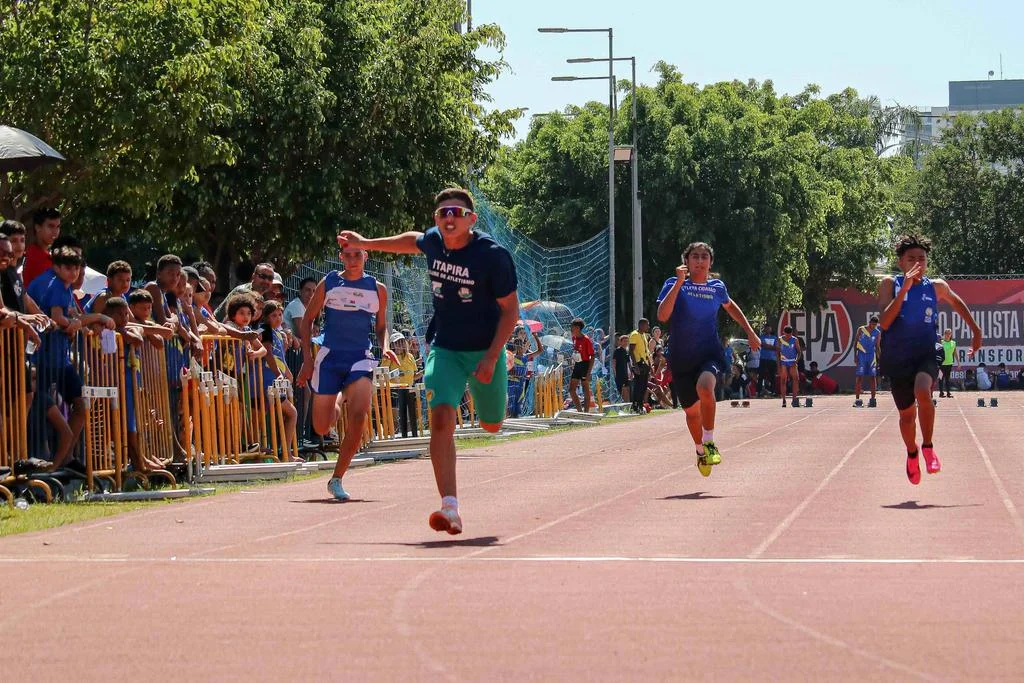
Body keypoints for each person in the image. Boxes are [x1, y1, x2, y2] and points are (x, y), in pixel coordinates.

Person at [336, 187, 518, 534]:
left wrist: (494, 356)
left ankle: (497, 377)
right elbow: (412, 241)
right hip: (445, 348)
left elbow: (510, 311)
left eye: (457, 212)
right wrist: (367, 242)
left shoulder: (493, 256)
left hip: (485, 351)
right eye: (443, 212)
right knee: (441, 418)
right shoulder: (434, 241)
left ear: (471, 220)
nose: (449, 217)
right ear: (437, 220)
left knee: (492, 424)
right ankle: (450, 507)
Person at [878, 234, 982, 485]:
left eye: (922, 259)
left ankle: (928, 447)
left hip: (925, 352)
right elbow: (884, 322)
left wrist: (976, 331)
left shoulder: (936, 287)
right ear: (901, 262)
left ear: (927, 262)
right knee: (905, 417)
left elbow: (957, 304)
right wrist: (903, 291)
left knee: (923, 392)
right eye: (911, 258)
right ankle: (912, 453)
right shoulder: (889, 284)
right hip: (897, 357)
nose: (917, 263)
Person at [297, 244, 396, 501]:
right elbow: (307, 320)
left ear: (365, 256)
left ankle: (337, 478)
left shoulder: (378, 289)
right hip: (329, 358)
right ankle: (339, 398)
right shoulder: (329, 282)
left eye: (357, 254)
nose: (352, 259)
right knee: (321, 425)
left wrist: (384, 347)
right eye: (347, 255)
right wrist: (307, 361)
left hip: (360, 357)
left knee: (361, 412)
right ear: (341, 257)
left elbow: (382, 326)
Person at [656, 242, 761, 476]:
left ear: (710, 262)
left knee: (705, 387)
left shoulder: (716, 287)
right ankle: (700, 450)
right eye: (695, 256)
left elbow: (730, 306)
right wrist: (680, 283)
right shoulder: (673, 284)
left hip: (708, 352)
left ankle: (710, 441)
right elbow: (662, 316)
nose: (700, 261)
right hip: (681, 357)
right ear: (686, 261)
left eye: (704, 257)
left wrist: (750, 331)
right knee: (692, 413)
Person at [384, 331, 422, 437]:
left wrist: (423, 372)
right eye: (396, 343)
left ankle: (411, 435)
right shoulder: (388, 357)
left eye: (401, 342)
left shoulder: (410, 357)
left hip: (409, 389)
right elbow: (383, 374)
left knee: (411, 414)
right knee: (396, 416)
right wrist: (396, 375)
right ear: (392, 345)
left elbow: (414, 376)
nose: (399, 345)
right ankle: (395, 434)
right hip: (394, 390)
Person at [22, 208, 61, 288]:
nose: (55, 231)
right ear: (37, 227)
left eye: (58, 227)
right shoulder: (35, 257)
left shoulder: (36, 253)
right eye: (51, 226)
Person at [853, 316, 882, 407]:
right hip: (861, 355)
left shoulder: (877, 332)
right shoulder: (861, 329)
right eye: (872, 324)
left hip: (871, 357)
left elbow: (877, 347)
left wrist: (880, 359)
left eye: (875, 325)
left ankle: (873, 400)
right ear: (869, 322)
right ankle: (857, 400)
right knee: (859, 377)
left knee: (872, 377)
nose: (873, 326)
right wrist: (855, 356)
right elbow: (855, 343)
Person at [568, 317, 595, 412]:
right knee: (571, 390)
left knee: (585, 389)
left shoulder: (586, 339)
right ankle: (580, 411)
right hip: (577, 365)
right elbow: (576, 351)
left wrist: (589, 372)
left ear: (578, 328)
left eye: (572, 327)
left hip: (585, 365)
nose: (571, 329)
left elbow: (593, 356)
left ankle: (586, 412)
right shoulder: (573, 338)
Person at [628, 319, 652, 413]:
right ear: (641, 325)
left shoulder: (644, 335)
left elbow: (646, 351)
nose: (648, 327)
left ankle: (640, 406)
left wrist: (650, 364)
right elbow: (631, 351)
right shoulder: (634, 334)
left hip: (645, 363)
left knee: (643, 386)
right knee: (638, 386)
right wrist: (635, 365)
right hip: (639, 363)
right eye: (647, 325)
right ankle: (635, 406)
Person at [775, 326, 802, 407]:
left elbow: (799, 352)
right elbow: (777, 353)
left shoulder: (795, 340)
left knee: (796, 379)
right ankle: (783, 400)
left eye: (789, 335)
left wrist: (796, 361)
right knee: (783, 380)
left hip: (792, 361)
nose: (788, 337)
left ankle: (794, 399)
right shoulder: (780, 339)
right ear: (784, 333)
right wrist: (778, 365)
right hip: (783, 362)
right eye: (786, 335)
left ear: (791, 333)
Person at [938, 328, 959, 397]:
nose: (948, 335)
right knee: (941, 378)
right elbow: (937, 352)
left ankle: (948, 393)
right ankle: (941, 393)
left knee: (947, 378)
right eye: (947, 333)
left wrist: (958, 362)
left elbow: (955, 353)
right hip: (941, 364)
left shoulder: (953, 343)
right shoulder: (941, 342)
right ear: (944, 334)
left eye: (949, 333)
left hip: (949, 363)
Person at [758, 324, 778, 396]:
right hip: (763, 358)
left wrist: (769, 346)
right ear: (765, 329)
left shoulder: (774, 338)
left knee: (772, 376)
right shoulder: (761, 337)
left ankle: (773, 391)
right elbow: (763, 345)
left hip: (772, 359)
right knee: (761, 375)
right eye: (767, 328)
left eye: (769, 328)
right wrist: (772, 347)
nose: (768, 330)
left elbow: (777, 347)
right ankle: (759, 391)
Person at [612, 334, 631, 403]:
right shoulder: (617, 351)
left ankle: (628, 404)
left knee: (627, 389)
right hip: (619, 374)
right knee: (622, 390)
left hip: (626, 374)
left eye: (627, 341)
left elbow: (629, 363)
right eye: (624, 341)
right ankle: (625, 404)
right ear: (620, 342)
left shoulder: (626, 351)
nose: (626, 343)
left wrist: (630, 373)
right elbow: (614, 363)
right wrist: (615, 373)